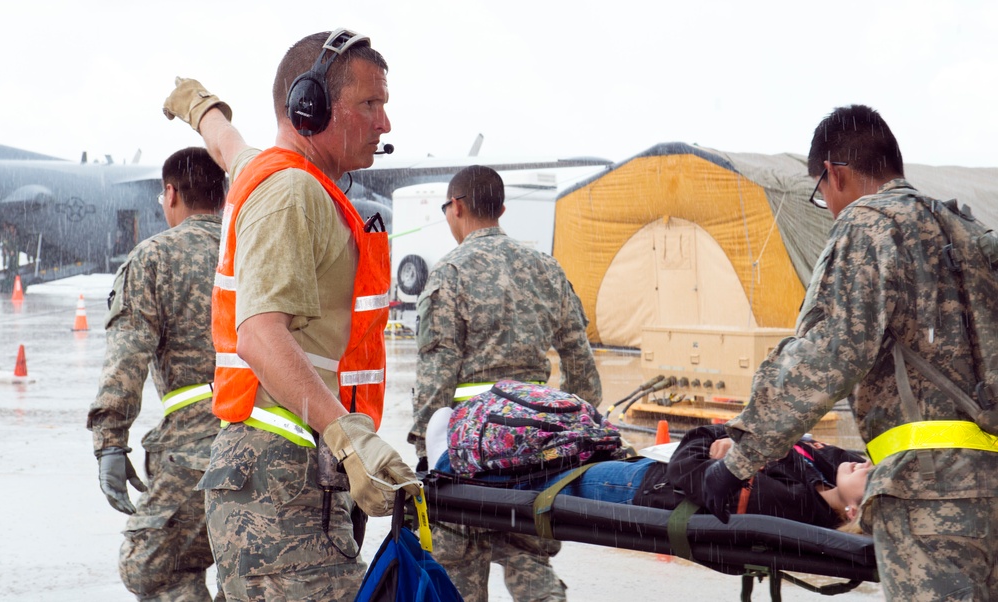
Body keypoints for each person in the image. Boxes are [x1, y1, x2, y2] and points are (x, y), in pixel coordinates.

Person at [697, 104, 998, 600]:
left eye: (821, 192)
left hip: (930, 495)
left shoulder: (869, 226)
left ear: (833, 174)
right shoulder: (967, 231)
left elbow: (828, 353)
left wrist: (739, 460)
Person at [162, 28, 418, 602]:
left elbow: (228, 145)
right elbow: (259, 335)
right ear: (311, 107)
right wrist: (350, 439)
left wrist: (201, 108)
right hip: (281, 484)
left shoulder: (267, 170)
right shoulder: (291, 194)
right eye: (369, 104)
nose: (385, 124)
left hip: (281, 479)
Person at [409, 165, 602, 602]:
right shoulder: (546, 269)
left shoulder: (449, 274)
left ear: (455, 207)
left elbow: (435, 376)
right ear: (501, 209)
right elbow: (580, 364)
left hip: (467, 451)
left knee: (458, 569)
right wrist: (575, 438)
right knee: (529, 556)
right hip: (534, 450)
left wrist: (426, 452)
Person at [87, 146, 227, 601]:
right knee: (257, 568)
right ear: (222, 194)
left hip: (195, 449)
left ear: (170, 194)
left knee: (149, 568)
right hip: (280, 441)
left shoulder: (153, 257)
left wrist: (110, 440)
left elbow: (127, 357)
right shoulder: (255, 249)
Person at [429, 408, 869, 531]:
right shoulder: (822, 479)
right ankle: (461, 452)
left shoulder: (789, 503)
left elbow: (689, 472)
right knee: (560, 456)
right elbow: (821, 452)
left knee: (549, 479)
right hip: (648, 475)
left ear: (852, 511)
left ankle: (450, 464)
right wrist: (734, 440)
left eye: (868, 476)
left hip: (644, 488)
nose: (863, 463)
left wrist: (711, 435)